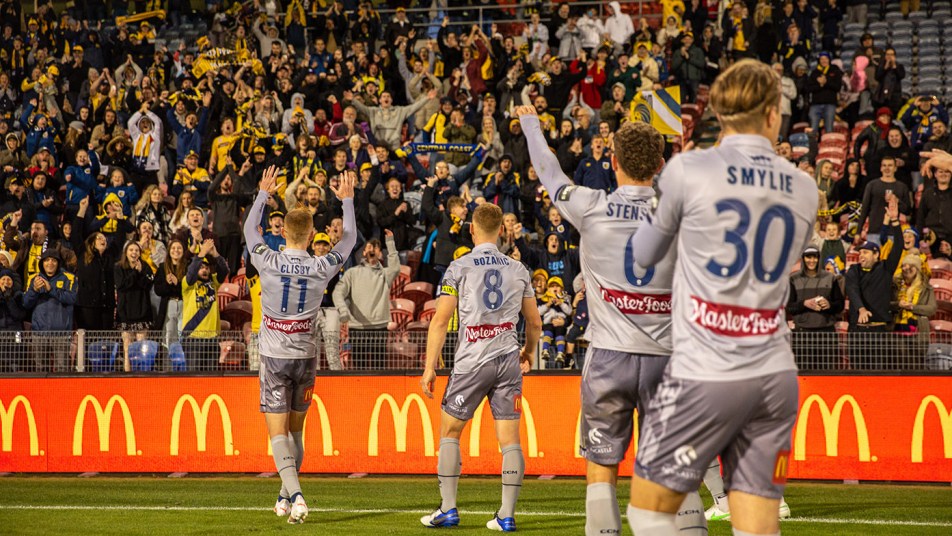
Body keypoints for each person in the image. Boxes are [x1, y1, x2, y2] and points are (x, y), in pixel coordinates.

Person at [627, 60, 818, 535]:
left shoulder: (688, 169)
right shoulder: (805, 186)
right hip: (773, 370)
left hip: (706, 368)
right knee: (757, 525)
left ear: (716, 111)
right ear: (773, 115)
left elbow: (644, 254)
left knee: (648, 512)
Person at [518, 104, 707, 535]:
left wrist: (531, 123)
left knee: (602, 469)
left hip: (608, 358)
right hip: (669, 360)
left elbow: (549, 171)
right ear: (661, 164)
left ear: (613, 162)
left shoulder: (590, 205)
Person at [243, 165, 357, 524]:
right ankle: (284, 494)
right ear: (310, 236)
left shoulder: (268, 259)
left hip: (275, 357)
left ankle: (297, 495)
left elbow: (248, 229)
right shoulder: (321, 265)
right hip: (306, 357)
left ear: (284, 235)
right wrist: (348, 201)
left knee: (278, 434)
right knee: (296, 432)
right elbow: (350, 239)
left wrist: (263, 194)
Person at [419, 202, 542, 531]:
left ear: (472, 229)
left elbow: (440, 320)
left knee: (450, 432)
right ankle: (506, 515)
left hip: (473, 360)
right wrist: (528, 352)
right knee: (510, 440)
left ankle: (448, 509)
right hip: (507, 359)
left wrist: (430, 366)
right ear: (503, 229)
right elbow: (534, 323)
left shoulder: (459, 267)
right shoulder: (518, 270)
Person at [845, 205, 904, 369]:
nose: (861, 255)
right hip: (857, 332)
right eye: (860, 253)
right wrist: (861, 309)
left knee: (879, 374)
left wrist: (894, 221)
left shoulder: (885, 268)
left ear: (876, 255)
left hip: (879, 332)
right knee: (857, 372)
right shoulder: (853, 270)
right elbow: (852, 290)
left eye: (865, 252)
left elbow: (898, 246)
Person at [331, 229, 399, 369]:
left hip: (379, 326)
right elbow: (338, 293)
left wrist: (390, 243)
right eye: (369, 247)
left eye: (375, 247)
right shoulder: (352, 273)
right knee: (359, 368)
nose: (372, 249)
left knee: (378, 367)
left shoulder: (385, 274)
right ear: (363, 252)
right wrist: (344, 312)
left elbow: (395, 267)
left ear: (380, 253)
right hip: (357, 327)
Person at [787, 246, 845, 369]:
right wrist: (804, 304)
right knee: (804, 374)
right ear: (803, 258)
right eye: (808, 257)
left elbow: (840, 305)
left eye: (815, 257)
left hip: (826, 332)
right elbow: (788, 307)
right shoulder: (793, 279)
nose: (811, 260)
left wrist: (829, 305)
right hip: (802, 333)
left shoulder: (830, 278)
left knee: (827, 373)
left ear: (819, 258)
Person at [23, 249, 78, 372]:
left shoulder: (69, 278)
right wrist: (34, 291)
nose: (50, 263)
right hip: (39, 332)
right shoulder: (34, 279)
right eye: (47, 260)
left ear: (58, 263)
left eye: (53, 260)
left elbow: (72, 298)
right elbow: (26, 303)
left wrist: (51, 289)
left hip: (61, 333)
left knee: (62, 370)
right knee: (40, 370)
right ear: (42, 263)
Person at [180, 238, 229, 371]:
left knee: (211, 377)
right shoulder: (188, 284)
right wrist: (201, 254)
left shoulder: (213, 282)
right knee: (194, 377)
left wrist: (216, 254)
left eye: (207, 267)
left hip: (212, 338)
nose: (205, 270)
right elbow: (190, 274)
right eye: (201, 267)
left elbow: (224, 271)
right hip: (193, 338)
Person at [115, 241, 155, 371]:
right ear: (126, 252)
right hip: (125, 312)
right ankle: (127, 376)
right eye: (131, 250)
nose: (134, 253)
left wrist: (141, 272)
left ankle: (141, 375)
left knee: (141, 347)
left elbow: (148, 285)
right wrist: (134, 272)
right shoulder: (119, 267)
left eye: (137, 250)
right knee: (127, 349)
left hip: (142, 311)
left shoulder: (145, 266)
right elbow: (122, 285)